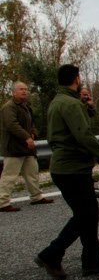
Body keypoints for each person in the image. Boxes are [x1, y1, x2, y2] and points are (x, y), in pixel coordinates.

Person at [35, 64, 99, 280]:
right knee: (85, 215)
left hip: (64, 168)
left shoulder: (58, 101)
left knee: (88, 214)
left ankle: (92, 261)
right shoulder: (71, 104)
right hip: (73, 169)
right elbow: (84, 137)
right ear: (76, 79)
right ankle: (52, 254)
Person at [0, 82, 54, 212]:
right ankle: (2, 202)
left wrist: (33, 133)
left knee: (32, 173)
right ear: (13, 92)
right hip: (14, 148)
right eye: (21, 89)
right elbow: (11, 125)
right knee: (10, 176)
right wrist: (27, 137)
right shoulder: (9, 107)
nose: (24, 91)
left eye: (26, 89)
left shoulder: (26, 106)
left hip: (26, 147)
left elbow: (31, 123)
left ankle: (37, 197)